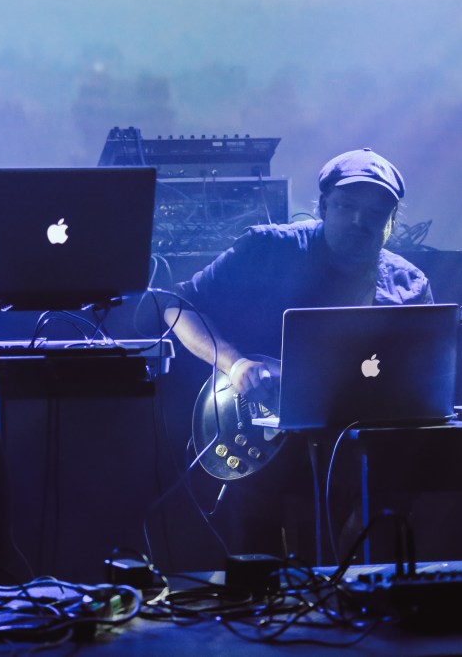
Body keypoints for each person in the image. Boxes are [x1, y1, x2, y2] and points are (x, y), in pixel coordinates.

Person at [164, 147, 432, 559]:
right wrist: (235, 364)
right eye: (346, 206)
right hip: (258, 437)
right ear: (323, 206)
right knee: (256, 565)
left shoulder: (409, 285)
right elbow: (177, 306)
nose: (359, 221)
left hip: (349, 450)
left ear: (392, 220)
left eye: (376, 213)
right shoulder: (268, 248)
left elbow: (421, 381)